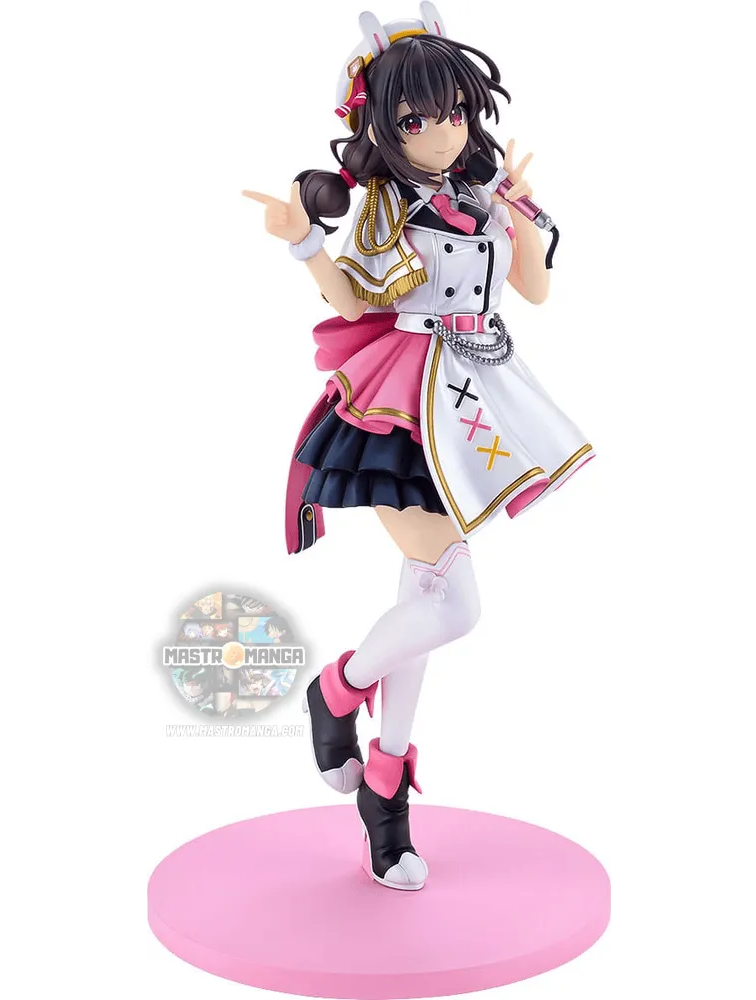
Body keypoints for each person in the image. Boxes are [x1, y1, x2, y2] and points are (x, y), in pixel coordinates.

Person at [243, 5, 593, 892]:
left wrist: (517, 211)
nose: (442, 134)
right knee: (451, 604)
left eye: (455, 113)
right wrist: (303, 243)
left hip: (482, 388)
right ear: (380, 127)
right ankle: (338, 688)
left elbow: (535, 293)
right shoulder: (385, 209)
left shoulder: (484, 196)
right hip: (403, 400)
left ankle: (386, 791)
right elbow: (353, 300)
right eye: (414, 120)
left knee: (422, 599)